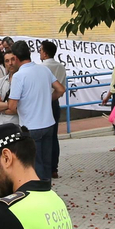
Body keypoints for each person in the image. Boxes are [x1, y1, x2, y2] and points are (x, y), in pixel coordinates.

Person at [5, 40, 61, 181]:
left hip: (31, 126)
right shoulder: (44, 69)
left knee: (34, 165)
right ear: (29, 54)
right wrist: (48, 98)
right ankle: (48, 190)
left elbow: (12, 106)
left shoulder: (19, 76)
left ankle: (39, 193)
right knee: (47, 163)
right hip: (48, 123)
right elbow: (61, 89)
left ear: (16, 58)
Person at [38, 42, 67, 178]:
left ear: (45, 53)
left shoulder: (42, 68)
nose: (39, 53)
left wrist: (46, 99)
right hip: (55, 102)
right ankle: (53, 168)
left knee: (42, 136)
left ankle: (43, 167)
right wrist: (52, 98)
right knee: (53, 136)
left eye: (40, 50)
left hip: (43, 104)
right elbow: (61, 89)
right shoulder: (60, 67)